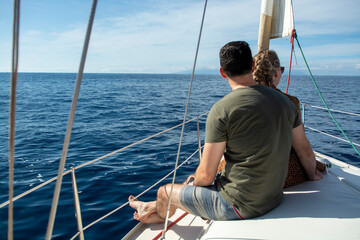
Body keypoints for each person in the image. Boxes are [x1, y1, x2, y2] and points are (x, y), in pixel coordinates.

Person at [129, 41, 318, 223]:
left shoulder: (222, 110)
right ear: (252, 66)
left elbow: (206, 176)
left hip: (239, 206)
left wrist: (194, 191)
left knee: (165, 191)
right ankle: (151, 206)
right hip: (274, 198)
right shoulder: (286, 103)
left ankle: (158, 215)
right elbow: (305, 151)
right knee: (189, 185)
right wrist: (314, 176)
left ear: (222, 72)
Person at [253, 50, 324, 188]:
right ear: (275, 73)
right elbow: (302, 147)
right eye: (282, 70)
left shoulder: (239, 99)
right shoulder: (290, 102)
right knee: (317, 165)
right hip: (280, 176)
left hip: (246, 175)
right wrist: (313, 173)